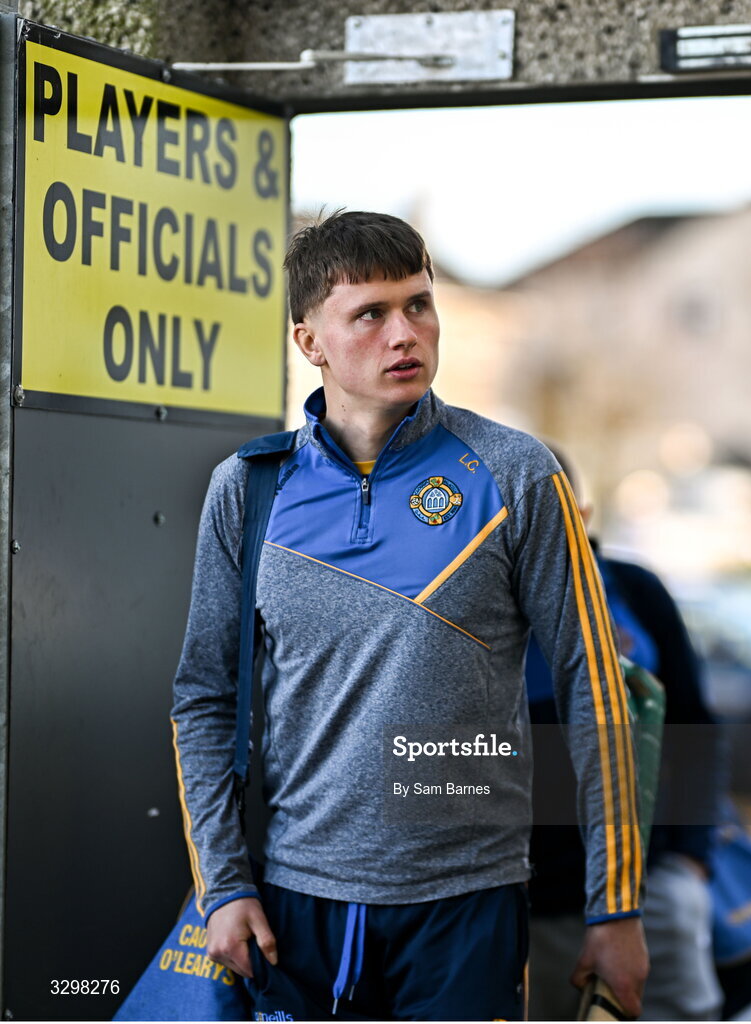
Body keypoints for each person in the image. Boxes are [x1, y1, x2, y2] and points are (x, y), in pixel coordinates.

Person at [171, 210, 648, 1021]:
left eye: (419, 305)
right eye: (371, 313)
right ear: (309, 341)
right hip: (299, 905)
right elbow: (203, 701)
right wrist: (223, 885)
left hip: (468, 903)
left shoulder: (515, 474)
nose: (406, 332)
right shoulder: (249, 490)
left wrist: (617, 909)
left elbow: (596, 692)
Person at [526, 471, 723, 1021]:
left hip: (649, 890)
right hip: (531, 906)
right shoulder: (473, 603)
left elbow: (695, 728)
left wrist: (691, 861)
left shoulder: (632, 591)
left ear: (582, 514)